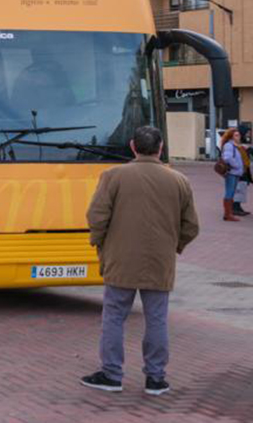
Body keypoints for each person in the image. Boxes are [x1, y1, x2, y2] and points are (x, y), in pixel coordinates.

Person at [81, 125, 199, 396]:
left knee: (113, 318)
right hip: (160, 261)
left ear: (133, 146)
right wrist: (174, 246)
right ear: (160, 148)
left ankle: (112, 375)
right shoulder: (179, 180)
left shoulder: (113, 176)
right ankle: (156, 379)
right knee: (157, 319)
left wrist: (100, 244)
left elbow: (96, 217)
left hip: (120, 258)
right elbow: (191, 226)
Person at [219, 128, 243, 222]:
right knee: (229, 192)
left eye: (239, 135)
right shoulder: (229, 145)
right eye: (236, 135)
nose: (239, 137)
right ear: (231, 137)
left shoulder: (236, 146)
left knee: (232, 192)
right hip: (231, 173)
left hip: (235, 173)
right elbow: (227, 158)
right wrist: (236, 166)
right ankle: (228, 214)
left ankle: (229, 213)